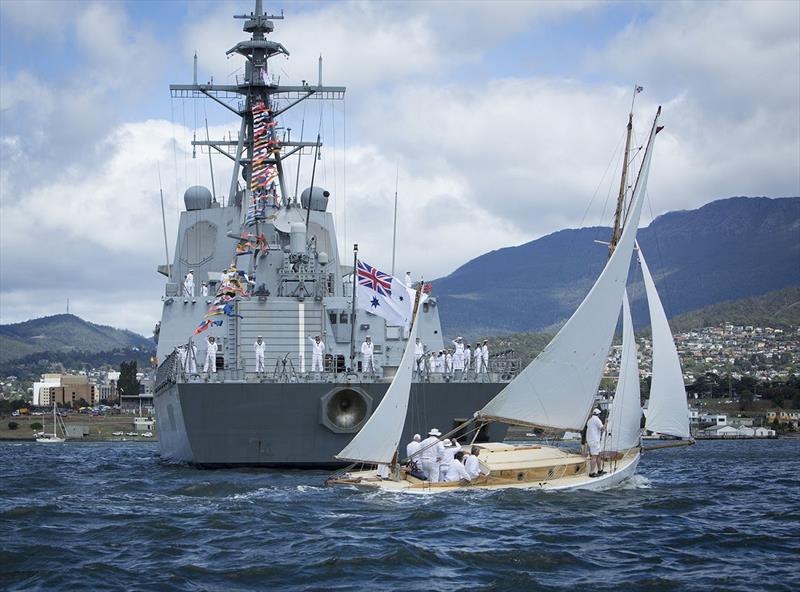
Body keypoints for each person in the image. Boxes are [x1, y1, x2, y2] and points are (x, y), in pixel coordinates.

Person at [586, 408, 605, 477]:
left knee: (598, 455)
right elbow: (603, 428)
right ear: (598, 414)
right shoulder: (597, 419)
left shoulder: (589, 420)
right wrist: (606, 422)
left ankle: (600, 470)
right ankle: (591, 473)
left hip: (591, 440)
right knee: (594, 456)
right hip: (595, 441)